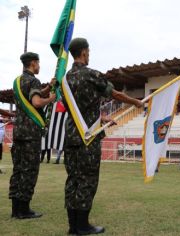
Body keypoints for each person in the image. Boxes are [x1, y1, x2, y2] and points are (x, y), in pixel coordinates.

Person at [62, 38, 143, 235]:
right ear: (83, 52)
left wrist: (102, 117)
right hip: (87, 138)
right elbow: (114, 93)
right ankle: (82, 226)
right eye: (88, 51)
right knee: (87, 180)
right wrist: (135, 102)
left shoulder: (65, 79)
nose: (89, 55)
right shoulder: (91, 74)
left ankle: (73, 225)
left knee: (73, 179)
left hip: (71, 135)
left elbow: (76, 108)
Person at [9, 52, 56, 219]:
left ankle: (16, 209)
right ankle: (24, 210)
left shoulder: (18, 81)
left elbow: (31, 97)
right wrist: (51, 98)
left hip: (19, 131)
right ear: (34, 63)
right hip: (30, 133)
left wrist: (48, 87)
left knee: (18, 169)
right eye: (38, 63)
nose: (39, 66)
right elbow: (36, 102)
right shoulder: (33, 80)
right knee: (29, 171)